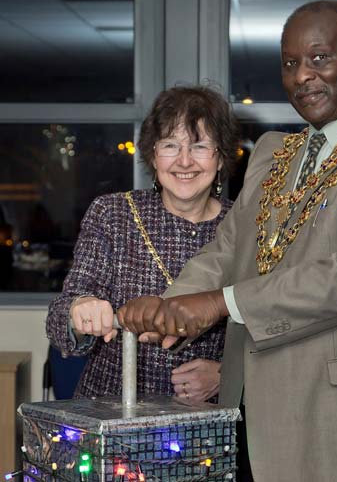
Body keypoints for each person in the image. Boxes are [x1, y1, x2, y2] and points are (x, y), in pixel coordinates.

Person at [119, 1, 337, 482]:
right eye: (290, 63)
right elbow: (228, 249)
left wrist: (218, 303)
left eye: (320, 58)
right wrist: (172, 309)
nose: (303, 76)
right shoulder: (272, 152)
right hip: (249, 415)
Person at [46, 85, 239, 402]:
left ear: (221, 158)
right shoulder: (112, 214)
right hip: (111, 412)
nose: (185, 161)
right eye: (170, 145)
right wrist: (78, 311)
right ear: (153, 155)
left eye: (200, 146)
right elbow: (58, 320)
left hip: (206, 424)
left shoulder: (245, 225)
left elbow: (266, 323)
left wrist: (225, 373)